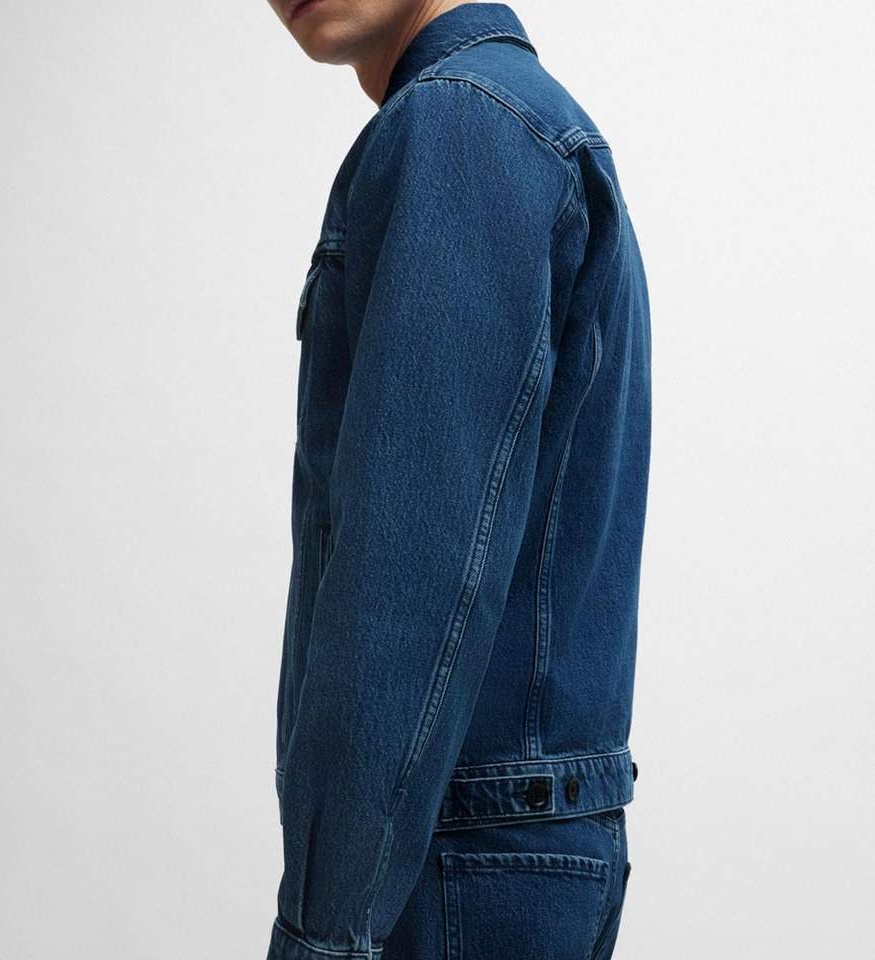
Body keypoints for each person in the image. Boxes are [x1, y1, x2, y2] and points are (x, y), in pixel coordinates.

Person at [264, 2, 651, 958]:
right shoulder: (518, 120)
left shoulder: (462, 123)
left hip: (449, 871)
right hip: (499, 855)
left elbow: (409, 585)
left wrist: (319, 936)